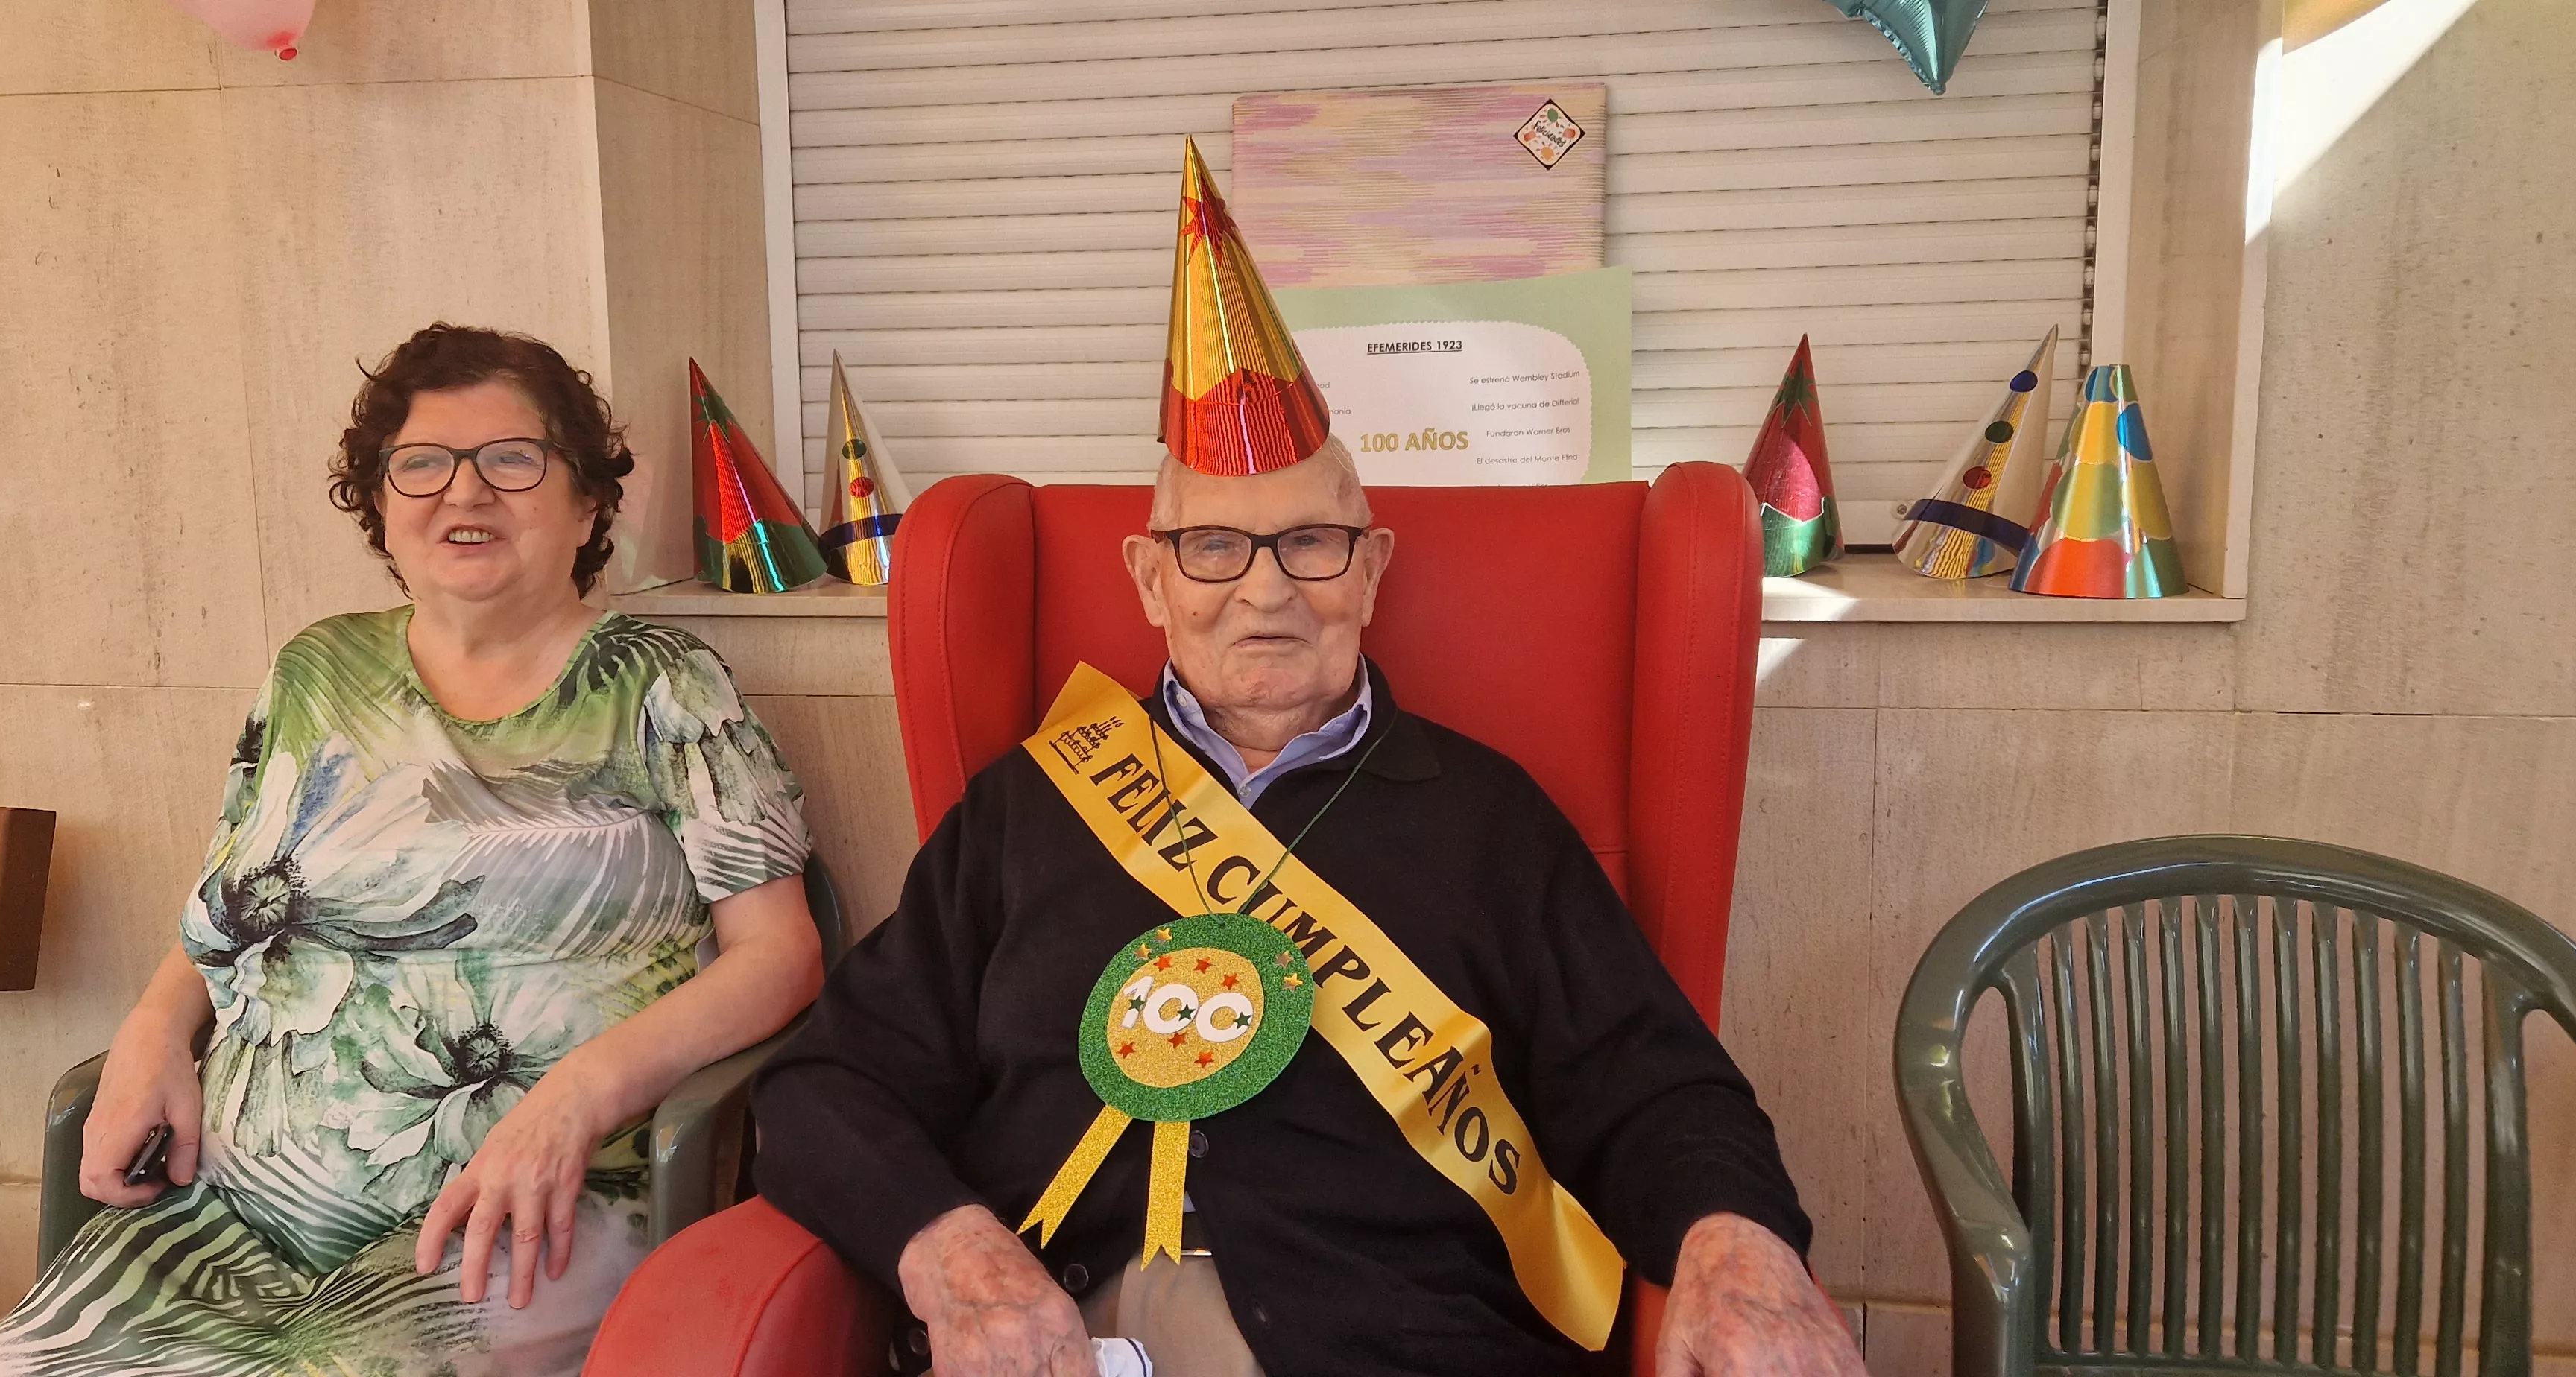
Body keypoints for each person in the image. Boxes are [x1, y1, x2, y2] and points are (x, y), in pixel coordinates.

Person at [752, 142, 1864, 1377]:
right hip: (1048, 1340)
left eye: (1314, 544)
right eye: (1216, 547)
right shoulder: (1027, 807)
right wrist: (956, 1258)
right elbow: (827, 1087)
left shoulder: (1488, 818)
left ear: (1374, 567)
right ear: (1150, 577)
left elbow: (1656, 1086)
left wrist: (1733, 1246)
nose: (1267, 592)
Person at [0, 325, 826, 1376]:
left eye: (514, 460)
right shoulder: (316, 671)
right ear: (380, 501)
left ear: (589, 504)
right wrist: (152, 1029)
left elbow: (780, 954)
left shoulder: (661, 684)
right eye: (422, 465)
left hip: (514, 1213)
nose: (464, 494)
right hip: (233, 1211)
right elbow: (238, 907)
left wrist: (580, 1096)